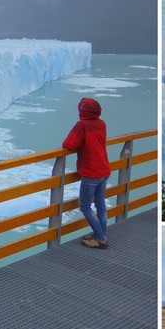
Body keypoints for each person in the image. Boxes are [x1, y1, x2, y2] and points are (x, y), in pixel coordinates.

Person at [62, 97, 110, 249]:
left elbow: (69, 144)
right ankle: (99, 234)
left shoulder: (82, 125)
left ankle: (101, 238)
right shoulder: (101, 123)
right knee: (100, 205)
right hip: (104, 169)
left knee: (85, 206)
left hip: (91, 171)